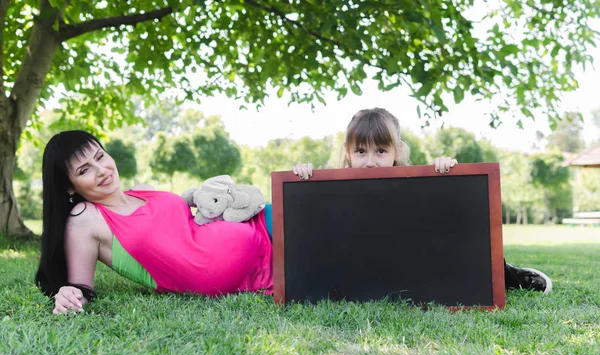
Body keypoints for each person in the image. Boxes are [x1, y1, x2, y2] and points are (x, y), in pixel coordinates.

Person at [292, 107, 553, 294]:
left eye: (380, 151)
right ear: (348, 153)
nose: (370, 161)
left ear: (397, 152)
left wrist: (446, 170)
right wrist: (303, 176)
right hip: (361, 265)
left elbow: (440, 218)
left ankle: (501, 273)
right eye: (361, 151)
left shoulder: (410, 188)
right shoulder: (334, 189)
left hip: (413, 262)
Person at [36, 130, 273, 314]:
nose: (102, 170)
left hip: (262, 226)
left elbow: (188, 230)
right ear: (69, 186)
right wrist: (68, 294)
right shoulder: (86, 217)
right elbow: (81, 289)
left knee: (303, 195)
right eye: (84, 170)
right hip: (261, 269)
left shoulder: (143, 190)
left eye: (100, 156)